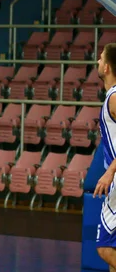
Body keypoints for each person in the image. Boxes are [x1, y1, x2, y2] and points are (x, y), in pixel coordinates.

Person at [94, 43, 116, 270]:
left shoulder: (114, 98)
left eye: (100, 59)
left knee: (104, 248)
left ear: (107, 67)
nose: (98, 62)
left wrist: (110, 172)